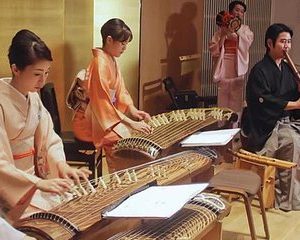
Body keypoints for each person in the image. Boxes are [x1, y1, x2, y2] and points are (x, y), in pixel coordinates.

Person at [0, 29, 91, 221]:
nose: (43, 81)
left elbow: (49, 138)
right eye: (37, 74)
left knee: (75, 204)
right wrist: (35, 184)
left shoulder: (33, 98)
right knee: (54, 218)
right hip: (10, 189)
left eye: (46, 73)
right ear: (15, 69)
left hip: (34, 179)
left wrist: (60, 165)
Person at [75, 18, 152, 173]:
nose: (125, 48)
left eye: (126, 44)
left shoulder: (110, 60)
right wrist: (131, 123)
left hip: (104, 117)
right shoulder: (99, 63)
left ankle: (130, 181)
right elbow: (101, 103)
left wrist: (132, 110)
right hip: (90, 121)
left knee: (133, 136)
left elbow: (121, 91)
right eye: (122, 43)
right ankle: (121, 183)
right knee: (123, 142)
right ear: (109, 40)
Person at [242, 23, 300, 211]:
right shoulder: (259, 71)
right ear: (269, 43)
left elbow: (291, 94)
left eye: (289, 42)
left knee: (293, 138)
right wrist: (296, 104)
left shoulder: (288, 69)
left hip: (286, 121)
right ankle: (286, 200)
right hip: (264, 125)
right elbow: (264, 101)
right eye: (283, 41)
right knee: (292, 141)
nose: (287, 47)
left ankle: (291, 196)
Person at [209, 0, 253, 126]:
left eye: (242, 11)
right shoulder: (221, 29)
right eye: (237, 10)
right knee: (223, 93)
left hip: (237, 64)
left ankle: (234, 123)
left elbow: (247, 43)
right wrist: (223, 35)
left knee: (236, 94)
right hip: (224, 63)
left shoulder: (245, 29)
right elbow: (214, 50)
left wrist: (236, 31)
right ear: (230, 12)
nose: (239, 13)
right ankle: (221, 123)